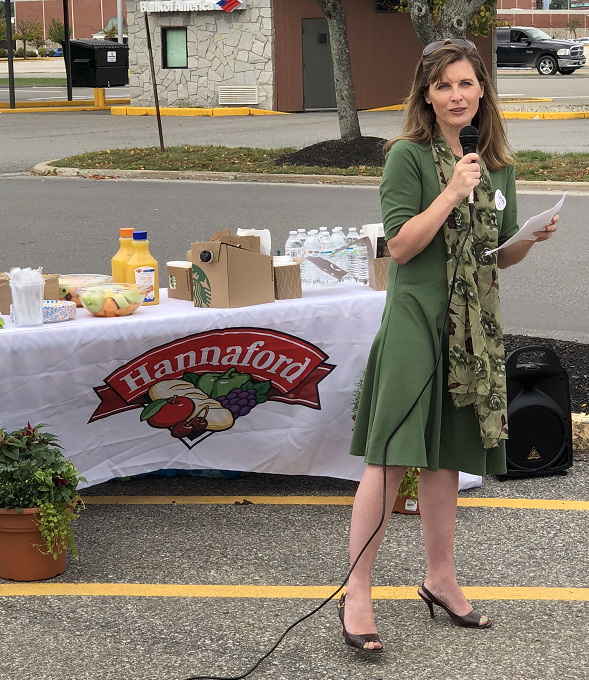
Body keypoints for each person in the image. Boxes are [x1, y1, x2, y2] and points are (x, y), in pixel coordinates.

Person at [338, 38, 558, 653]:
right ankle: (357, 594)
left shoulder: (499, 164)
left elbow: (501, 254)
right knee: (390, 457)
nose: (457, 95)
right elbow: (403, 248)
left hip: (471, 327)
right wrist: (452, 191)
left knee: (446, 459)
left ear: (482, 89)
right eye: (444, 86)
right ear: (426, 96)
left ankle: (440, 578)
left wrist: (531, 238)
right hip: (416, 320)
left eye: (466, 83)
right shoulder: (406, 157)